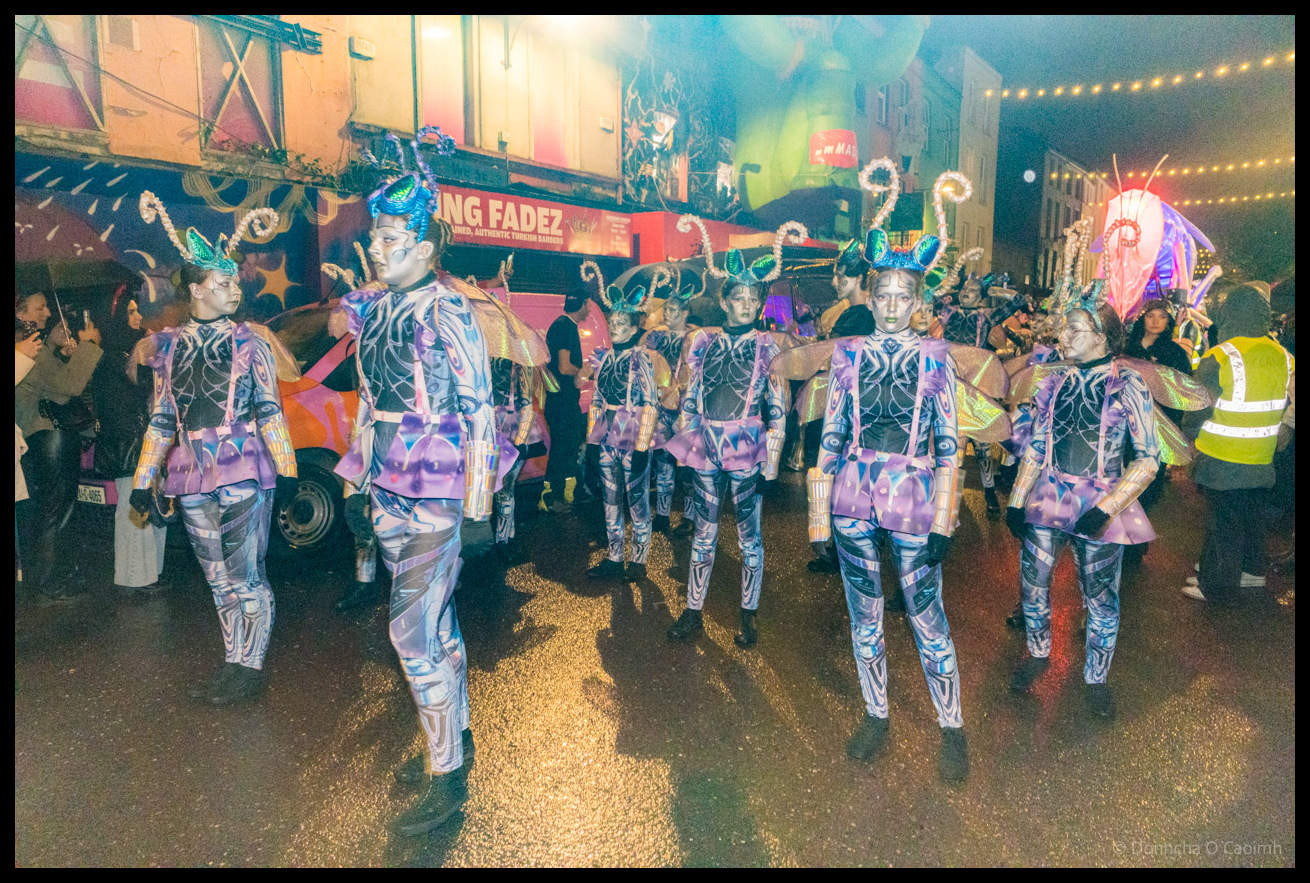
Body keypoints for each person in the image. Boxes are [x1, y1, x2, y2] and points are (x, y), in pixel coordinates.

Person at [332, 127, 497, 836]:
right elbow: (370, 401)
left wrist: (480, 499)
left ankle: (446, 778)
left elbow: (480, 406)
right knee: (437, 623)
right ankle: (452, 739)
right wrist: (354, 483)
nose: (378, 247)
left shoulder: (449, 308)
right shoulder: (372, 310)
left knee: (409, 629)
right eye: (376, 236)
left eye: (393, 238)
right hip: (390, 484)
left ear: (425, 249)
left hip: (437, 482)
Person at [805, 171, 970, 782]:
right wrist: (819, 522)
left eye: (905, 296)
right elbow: (828, 438)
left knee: (927, 612)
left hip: (913, 494)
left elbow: (950, 443)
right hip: (851, 491)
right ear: (870, 297)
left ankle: (951, 724)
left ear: (919, 301)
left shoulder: (937, 359)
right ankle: (876, 714)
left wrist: (946, 520)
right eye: (884, 295)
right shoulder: (845, 355)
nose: (894, 306)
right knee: (864, 611)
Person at [129, 193, 298, 705]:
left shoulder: (252, 341)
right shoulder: (169, 346)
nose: (234, 289)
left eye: (233, 282)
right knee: (217, 578)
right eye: (222, 284)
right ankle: (232, 661)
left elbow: (270, 410)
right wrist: (142, 481)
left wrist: (286, 469)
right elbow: (161, 418)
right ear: (198, 290)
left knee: (247, 575)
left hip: (243, 464)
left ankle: (251, 667)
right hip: (189, 471)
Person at [1005, 288, 1159, 720]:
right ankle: (1037, 654)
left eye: (1074, 328)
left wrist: (1109, 508)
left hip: (1100, 501)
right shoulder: (1054, 380)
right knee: (1032, 584)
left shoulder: (1129, 384)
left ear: (1103, 336)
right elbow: (1036, 445)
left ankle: (1096, 678)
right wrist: (1017, 500)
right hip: (1048, 499)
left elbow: (1149, 459)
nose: (1063, 334)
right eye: (1064, 326)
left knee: (1101, 598)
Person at [663, 217, 796, 648]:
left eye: (753, 297)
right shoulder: (703, 342)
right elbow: (690, 396)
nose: (746, 304)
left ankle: (748, 613)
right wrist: (685, 447)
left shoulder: (768, 346)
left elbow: (779, 409)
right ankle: (693, 610)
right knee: (704, 532)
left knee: (748, 535)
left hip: (746, 449)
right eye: (738, 297)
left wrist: (769, 465)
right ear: (724, 301)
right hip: (706, 446)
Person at [1182, 283, 1294, 605]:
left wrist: (1190, 439)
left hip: (1223, 455)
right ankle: (1253, 573)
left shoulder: (1220, 354)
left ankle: (1218, 587)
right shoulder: (1283, 356)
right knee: (1251, 518)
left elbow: (1198, 405)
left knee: (1223, 524)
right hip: (1263, 455)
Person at [15, 291, 103, 603]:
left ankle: (53, 574)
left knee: (53, 505)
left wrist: (55, 346)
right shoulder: (25, 346)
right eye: (40, 308)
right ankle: (50, 580)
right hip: (46, 432)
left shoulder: (36, 346)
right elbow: (67, 388)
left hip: (43, 434)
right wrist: (90, 345)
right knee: (55, 507)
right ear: (21, 313)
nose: (48, 313)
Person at [575, 277, 664, 580]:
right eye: (612, 322)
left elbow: (652, 403)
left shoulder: (642, 360)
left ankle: (638, 561)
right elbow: (597, 400)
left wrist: (642, 446)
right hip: (606, 435)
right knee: (610, 500)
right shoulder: (604, 357)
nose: (614, 327)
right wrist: (591, 440)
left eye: (620, 323)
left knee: (637, 500)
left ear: (634, 327)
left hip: (633, 431)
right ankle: (615, 557)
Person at [92, 291, 168, 597]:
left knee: (141, 507)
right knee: (132, 508)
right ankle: (134, 579)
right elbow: (137, 392)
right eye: (131, 312)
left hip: (138, 441)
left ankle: (144, 575)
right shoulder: (114, 356)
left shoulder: (127, 351)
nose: (138, 317)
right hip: (129, 443)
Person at [936, 273, 1030, 518]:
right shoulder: (947, 311)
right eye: (964, 289)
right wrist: (944, 286)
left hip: (977, 384)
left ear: (979, 296)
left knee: (981, 446)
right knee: (949, 443)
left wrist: (994, 290)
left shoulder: (986, 315)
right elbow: (926, 298)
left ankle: (989, 492)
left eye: (972, 290)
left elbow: (1017, 299)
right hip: (951, 382)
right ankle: (945, 499)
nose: (966, 292)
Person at [640, 269, 700, 535]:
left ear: (685, 312)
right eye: (666, 309)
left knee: (687, 465)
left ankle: (689, 517)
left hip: (687, 408)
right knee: (663, 461)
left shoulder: (697, 337)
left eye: (673, 309)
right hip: (663, 405)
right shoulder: (654, 336)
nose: (667, 313)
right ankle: (662, 515)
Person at [540, 288, 592, 512]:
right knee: (562, 450)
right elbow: (564, 366)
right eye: (588, 305)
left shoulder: (560, 325)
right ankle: (552, 499)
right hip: (562, 402)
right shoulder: (566, 327)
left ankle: (567, 495)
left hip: (558, 401)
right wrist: (586, 373)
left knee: (566, 448)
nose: (589, 310)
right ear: (581, 305)